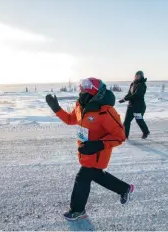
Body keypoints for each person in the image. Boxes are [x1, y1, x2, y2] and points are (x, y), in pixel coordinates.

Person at [45, 77, 134, 220]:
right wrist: (56, 108)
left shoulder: (106, 111)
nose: (80, 92)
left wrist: (98, 144)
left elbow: (120, 136)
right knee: (97, 176)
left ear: (94, 93)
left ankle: (77, 210)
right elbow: (70, 119)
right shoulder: (80, 106)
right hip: (85, 151)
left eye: (84, 90)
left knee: (83, 177)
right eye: (81, 89)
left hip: (97, 153)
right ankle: (125, 189)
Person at [119, 71, 150, 139]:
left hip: (138, 107)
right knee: (126, 121)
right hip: (131, 106)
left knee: (139, 120)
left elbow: (136, 95)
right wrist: (124, 99)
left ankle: (146, 132)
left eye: (138, 76)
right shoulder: (133, 84)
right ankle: (125, 135)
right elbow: (130, 93)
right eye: (136, 75)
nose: (136, 77)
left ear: (141, 76)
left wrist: (125, 99)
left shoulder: (142, 85)